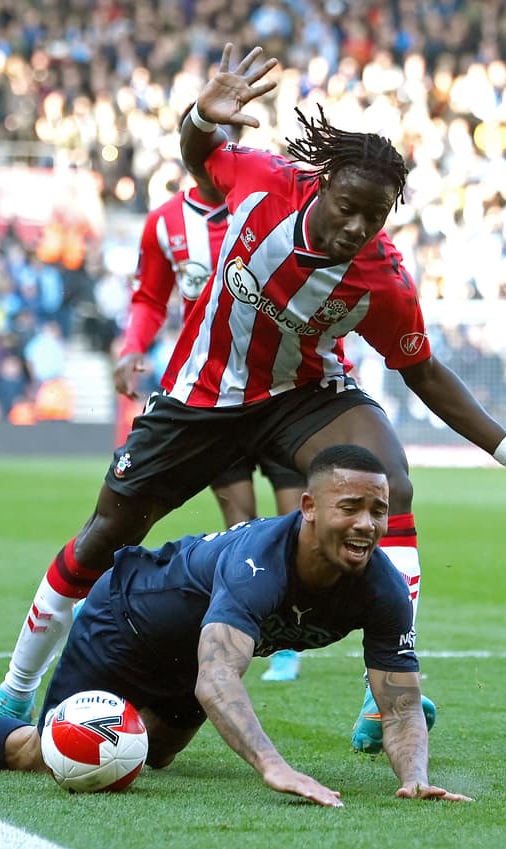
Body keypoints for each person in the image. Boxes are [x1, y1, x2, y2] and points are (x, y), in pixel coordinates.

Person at [0, 44, 506, 754]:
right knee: (105, 535)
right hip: (200, 397)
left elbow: (422, 373)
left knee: (389, 485)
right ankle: (13, 691)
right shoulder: (263, 179)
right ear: (321, 185)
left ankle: (383, 695)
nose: (359, 228)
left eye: (377, 215)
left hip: (300, 394)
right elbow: (199, 154)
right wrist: (199, 117)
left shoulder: (382, 279)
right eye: (348, 208)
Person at [0, 445, 472, 806]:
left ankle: (117, 729)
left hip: (187, 656)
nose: (368, 524)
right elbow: (218, 677)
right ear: (309, 508)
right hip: (123, 622)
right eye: (350, 506)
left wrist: (415, 777)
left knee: (149, 755)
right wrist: (274, 768)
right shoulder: (259, 563)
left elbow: (399, 705)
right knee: (56, 755)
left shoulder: (384, 588)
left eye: (379, 510)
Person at [114, 170, 306, 681]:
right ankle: (261, 624)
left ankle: (291, 638)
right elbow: (151, 298)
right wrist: (133, 346)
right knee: (242, 527)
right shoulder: (165, 223)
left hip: (284, 392)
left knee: (296, 523)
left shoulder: (275, 204)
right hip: (214, 397)